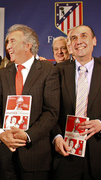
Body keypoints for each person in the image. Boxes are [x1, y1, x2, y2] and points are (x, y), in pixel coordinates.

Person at [0, 24, 60, 180]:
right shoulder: (3, 73)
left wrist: (27, 135)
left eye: (12, 41)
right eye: (7, 43)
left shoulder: (48, 70)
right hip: (5, 155)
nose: (8, 47)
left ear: (28, 45)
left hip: (34, 155)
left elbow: (51, 111)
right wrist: (1, 134)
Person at [51, 25, 101, 180]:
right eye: (74, 38)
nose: (79, 41)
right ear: (70, 46)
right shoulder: (57, 71)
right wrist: (56, 136)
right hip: (66, 153)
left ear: (94, 41)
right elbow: (49, 109)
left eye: (84, 36)